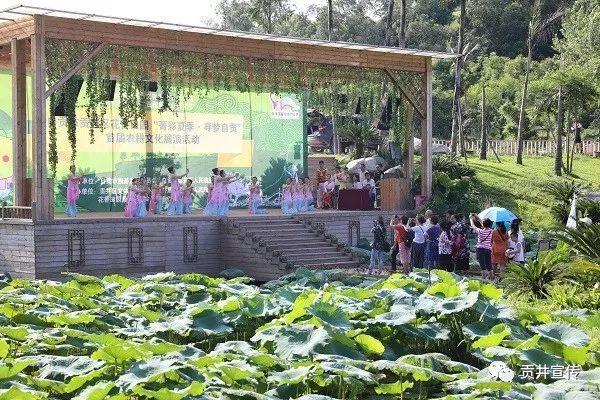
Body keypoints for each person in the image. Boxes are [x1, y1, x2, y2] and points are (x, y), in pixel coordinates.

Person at [470, 214, 494, 280]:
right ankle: (492, 279)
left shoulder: (480, 231)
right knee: (489, 264)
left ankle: (483, 279)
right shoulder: (491, 231)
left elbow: (473, 226)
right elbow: (484, 224)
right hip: (488, 249)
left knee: (482, 265)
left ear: (483, 224)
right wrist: (477, 217)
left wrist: (471, 219)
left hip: (480, 249)